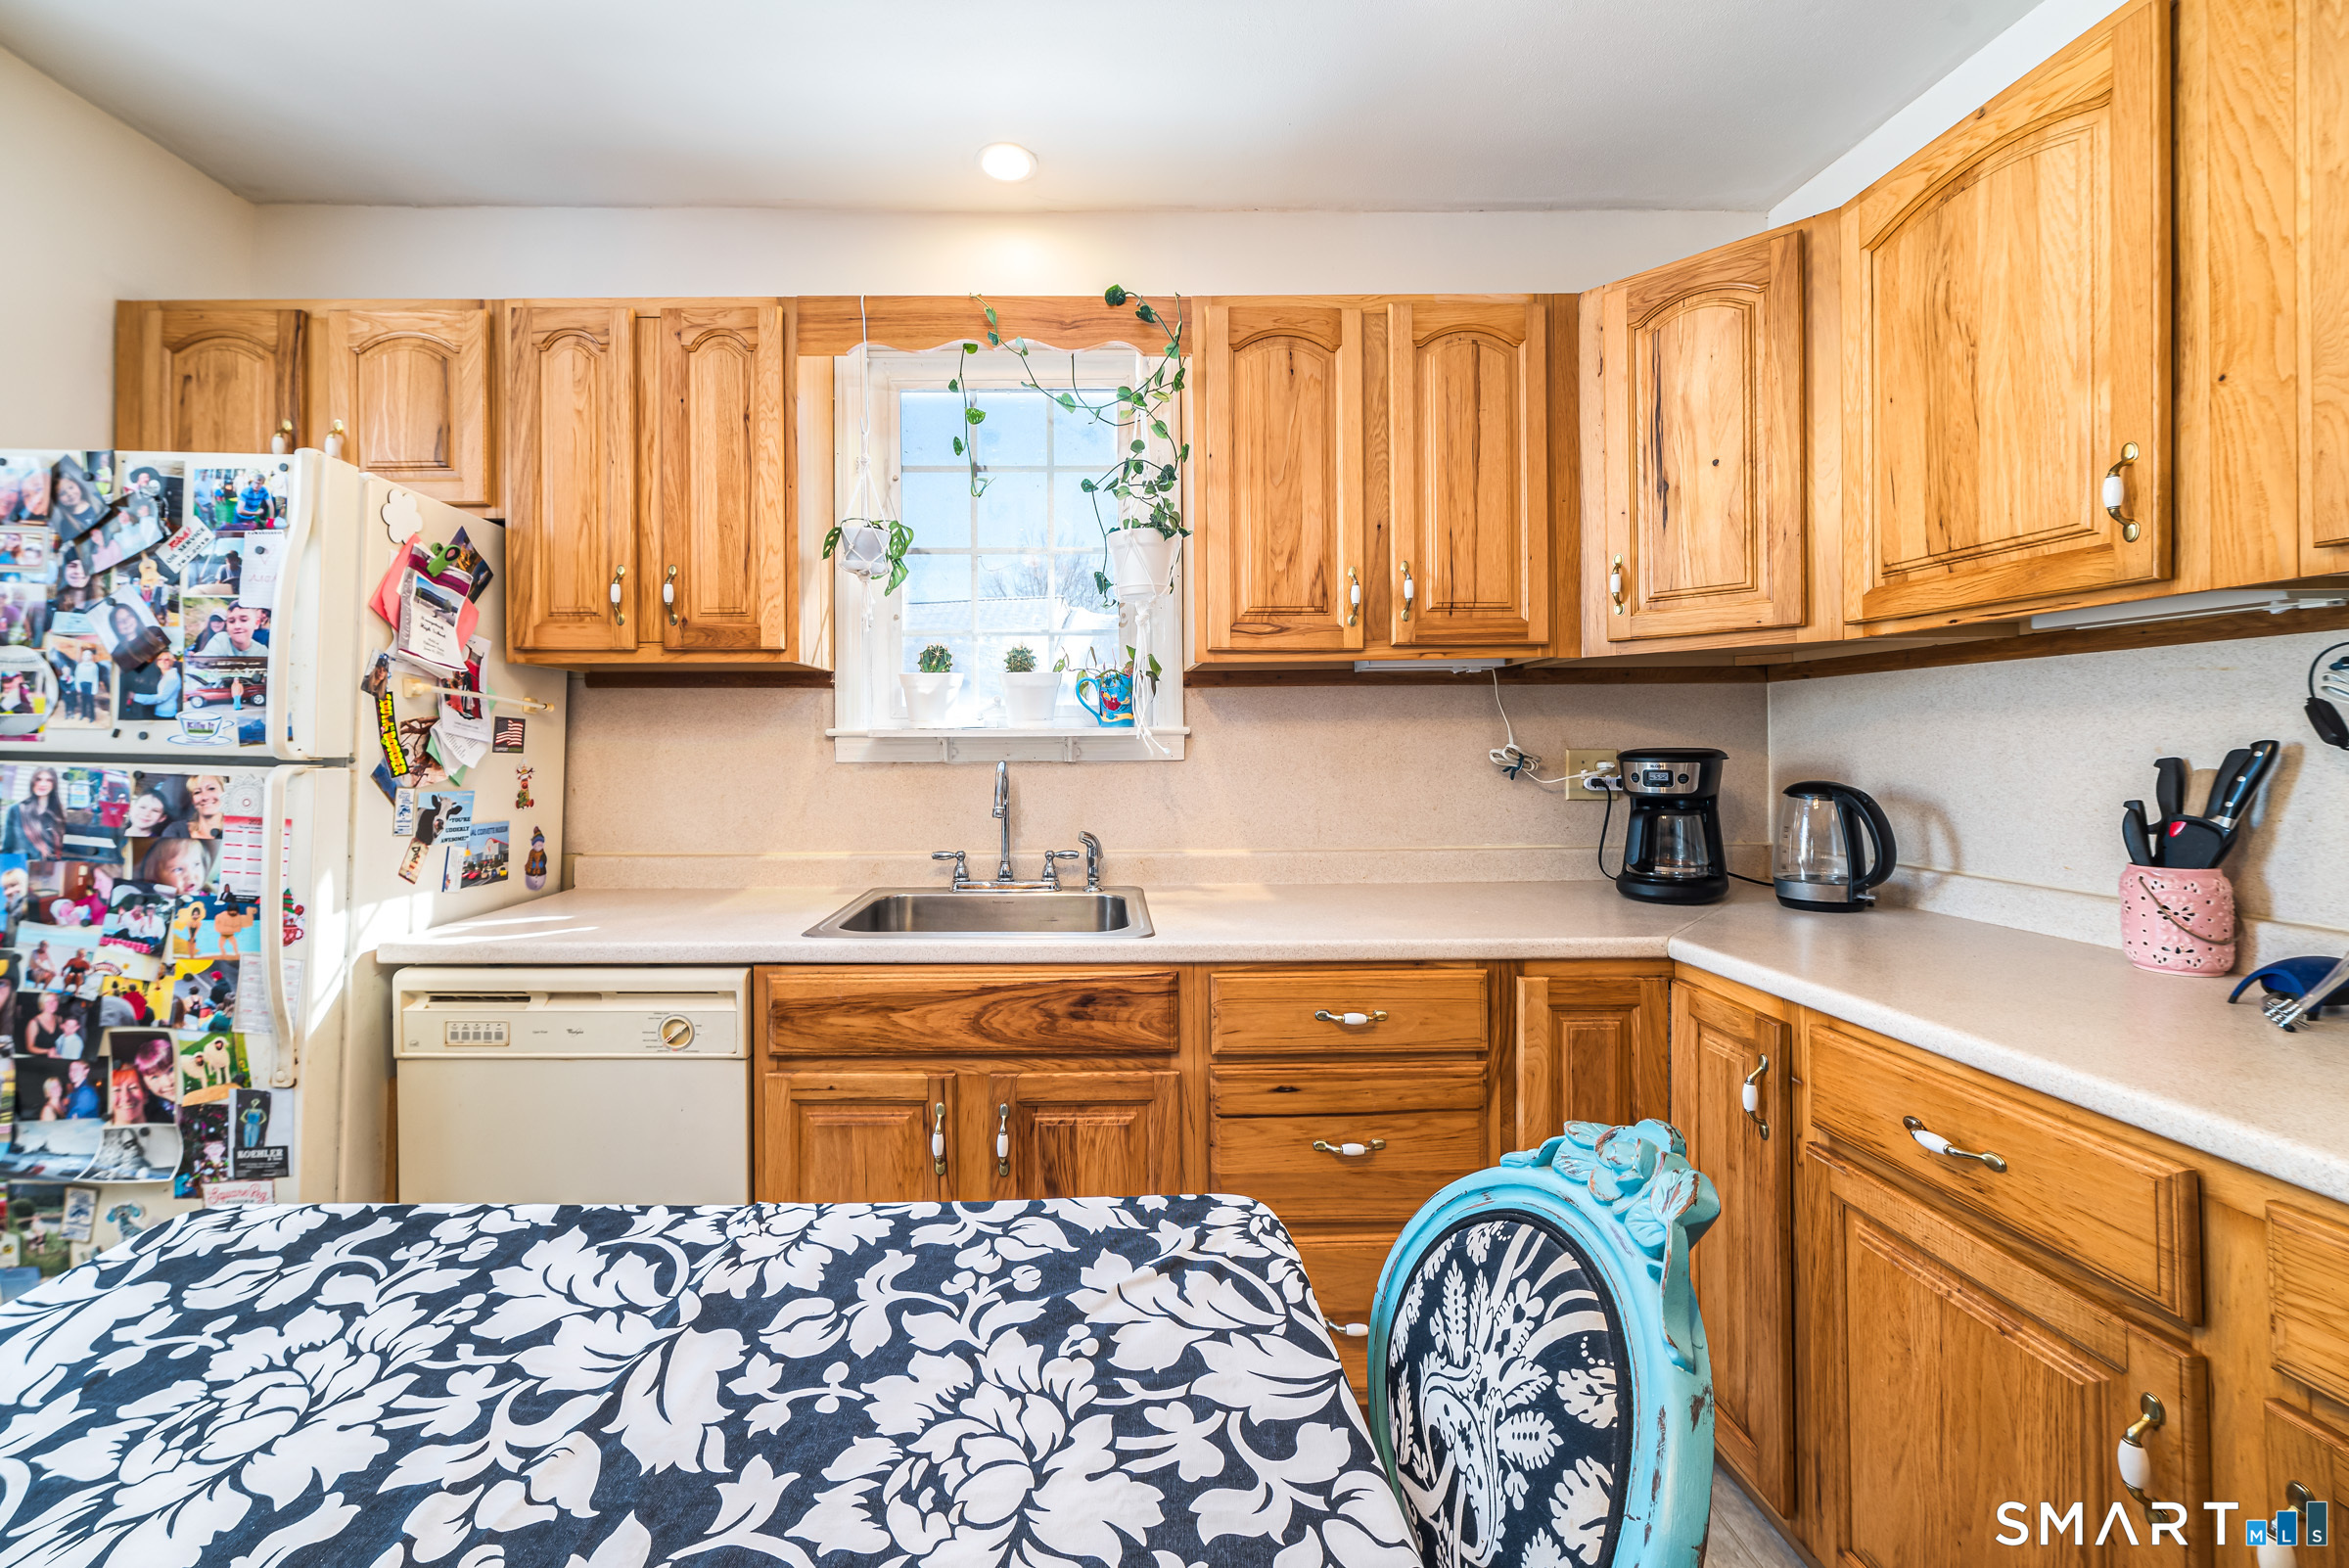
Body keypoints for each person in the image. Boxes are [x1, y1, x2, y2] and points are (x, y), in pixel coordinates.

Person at [3, 766, 65, 859]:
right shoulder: (16, 810)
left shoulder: (58, 813)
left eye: (48, 780)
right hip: (21, 868)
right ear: (32, 782)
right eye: (38, 779)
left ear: (54, 784)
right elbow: (7, 846)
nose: (43, 784)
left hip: (50, 869)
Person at [138, 837, 212, 897]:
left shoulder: (210, 895)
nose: (190, 876)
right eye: (178, 869)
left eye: (196, 864)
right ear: (156, 876)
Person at [200, 604, 269, 656]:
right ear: (227, 625)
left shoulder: (262, 652)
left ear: (256, 623)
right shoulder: (220, 640)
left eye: (244, 620)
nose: (237, 626)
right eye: (231, 621)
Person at [69, 647, 101, 721]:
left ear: (90, 656)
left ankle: (92, 717)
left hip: (90, 685)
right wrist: (78, 686)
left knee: (90, 702)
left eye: (88, 655)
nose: (86, 657)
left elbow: (95, 678)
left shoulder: (94, 666)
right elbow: (77, 677)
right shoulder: (79, 666)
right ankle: (83, 714)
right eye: (85, 655)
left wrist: (94, 690)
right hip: (82, 685)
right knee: (83, 701)